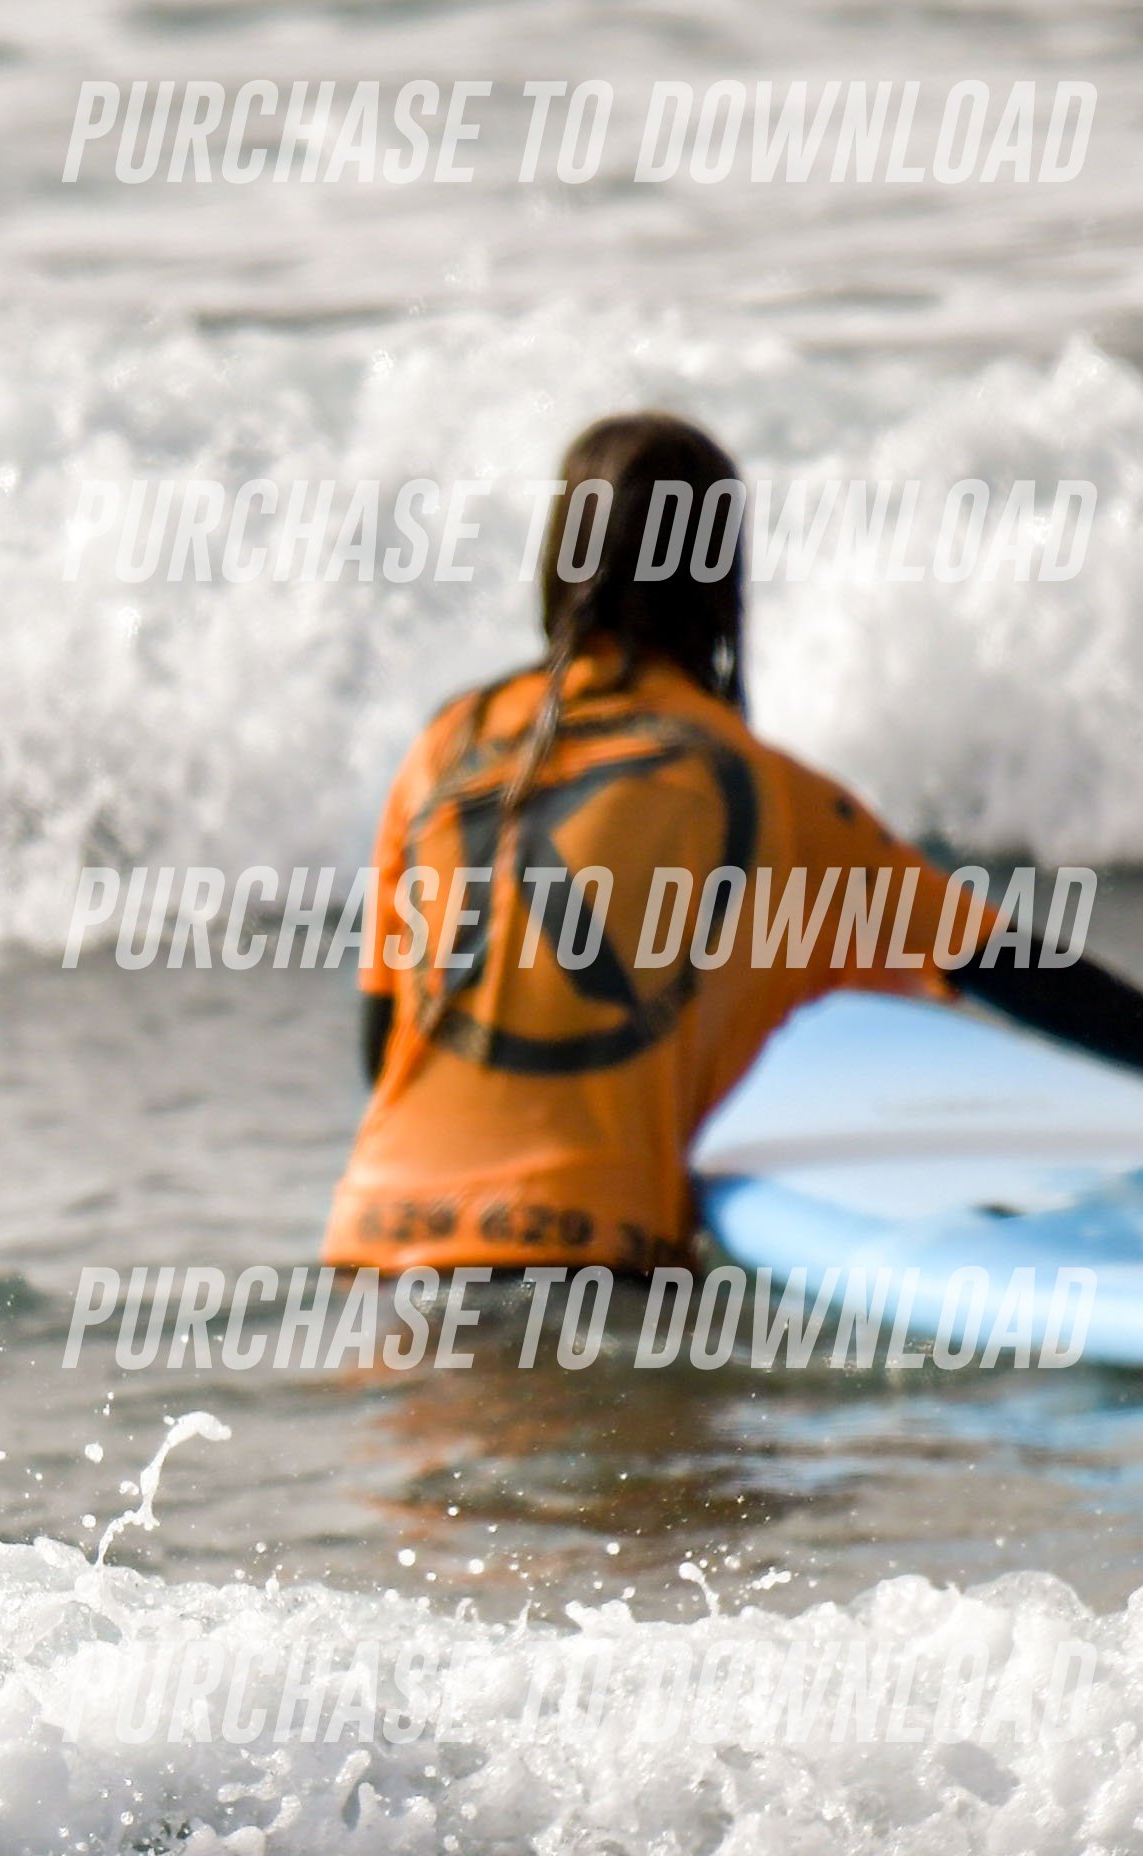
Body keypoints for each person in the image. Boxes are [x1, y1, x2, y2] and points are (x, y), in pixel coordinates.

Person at [331, 409, 1143, 1271]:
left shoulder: (447, 747)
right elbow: (1014, 969)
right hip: (588, 1258)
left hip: (370, 1242)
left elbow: (387, 1049)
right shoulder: (778, 799)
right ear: (719, 587)